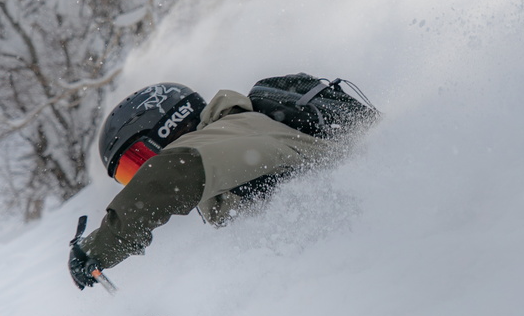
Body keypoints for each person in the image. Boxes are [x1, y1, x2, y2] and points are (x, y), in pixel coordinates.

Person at [68, 79, 365, 289]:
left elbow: (168, 173)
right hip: (343, 262)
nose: (139, 176)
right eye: (128, 175)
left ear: (165, 128)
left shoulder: (231, 132)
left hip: (363, 245)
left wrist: (102, 246)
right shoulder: (229, 148)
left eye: (137, 162)